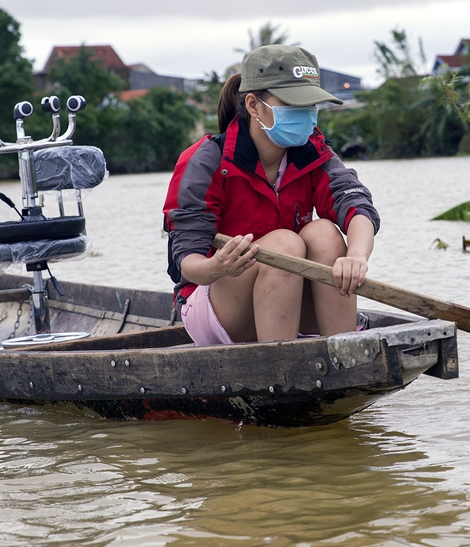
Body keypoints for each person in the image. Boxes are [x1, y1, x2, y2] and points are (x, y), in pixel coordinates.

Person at [163, 45, 380, 345]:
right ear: (253, 105)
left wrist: (355, 257)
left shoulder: (313, 152)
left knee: (325, 233)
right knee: (285, 244)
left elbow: (356, 205)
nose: (305, 116)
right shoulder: (206, 160)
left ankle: (345, 350)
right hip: (217, 302)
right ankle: (280, 366)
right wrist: (217, 267)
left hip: (287, 294)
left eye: (309, 106)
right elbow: (188, 261)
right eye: (293, 106)